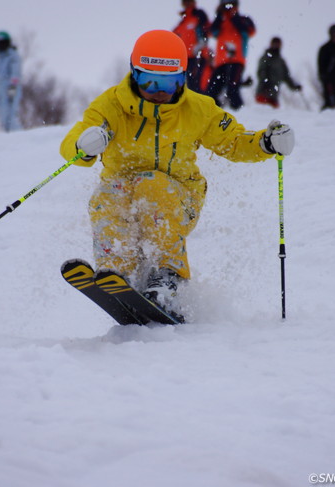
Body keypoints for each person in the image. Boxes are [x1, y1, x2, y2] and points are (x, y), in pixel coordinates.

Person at [59, 30, 295, 318]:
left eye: (169, 82)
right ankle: (120, 272)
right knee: (107, 196)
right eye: (149, 80)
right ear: (134, 74)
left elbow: (233, 141)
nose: (159, 90)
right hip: (122, 192)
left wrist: (265, 143)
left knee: (153, 185)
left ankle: (169, 277)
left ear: (183, 77)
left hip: (179, 198)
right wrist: (83, 146)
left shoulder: (198, 109)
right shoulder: (110, 106)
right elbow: (74, 143)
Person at [204, 0, 256, 110]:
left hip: (236, 60)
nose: (228, 8)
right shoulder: (221, 22)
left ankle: (242, 114)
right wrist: (219, 15)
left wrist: (234, 16)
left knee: (232, 89)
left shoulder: (243, 20)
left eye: (231, 5)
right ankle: (215, 113)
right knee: (211, 92)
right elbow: (212, 32)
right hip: (220, 62)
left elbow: (250, 31)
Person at [172, 0, 211, 93]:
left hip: (198, 55)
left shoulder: (199, 15)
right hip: (185, 58)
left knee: (197, 84)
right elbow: (173, 36)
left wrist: (201, 44)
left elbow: (206, 30)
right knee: (189, 84)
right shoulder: (183, 21)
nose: (187, 3)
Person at [255, 37, 302, 108]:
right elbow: (261, 72)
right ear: (271, 44)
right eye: (274, 44)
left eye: (278, 44)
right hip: (263, 93)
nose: (276, 46)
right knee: (261, 115)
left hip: (274, 96)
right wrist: (265, 83)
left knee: (273, 115)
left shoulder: (281, 61)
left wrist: (294, 86)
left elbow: (286, 76)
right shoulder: (266, 57)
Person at [0, 31, 22, 131]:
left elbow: (15, 72)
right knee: (3, 115)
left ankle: (17, 135)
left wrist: (12, 88)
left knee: (11, 114)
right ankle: (9, 135)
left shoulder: (12, 56)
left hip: (10, 89)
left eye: (3, 43)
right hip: (0, 91)